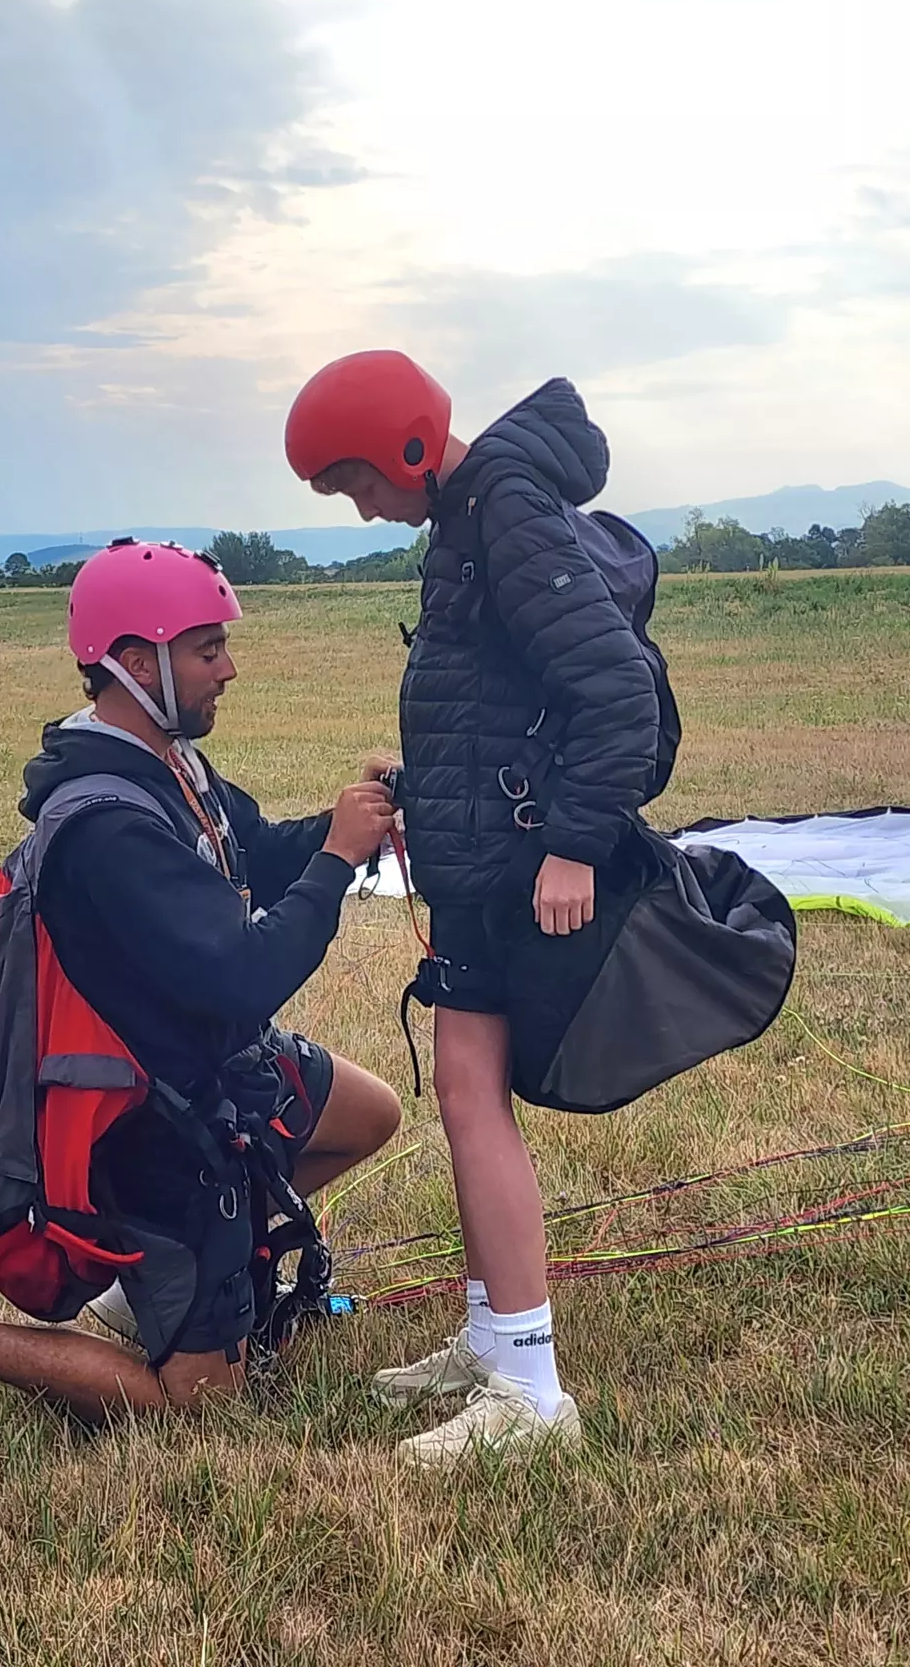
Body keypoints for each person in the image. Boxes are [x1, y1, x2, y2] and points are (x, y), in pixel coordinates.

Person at [0, 539, 402, 1435]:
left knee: (366, 1113)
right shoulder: (105, 827)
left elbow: (251, 848)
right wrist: (336, 862)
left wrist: (353, 825)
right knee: (197, 1406)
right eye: (207, 649)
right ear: (138, 663)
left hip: (207, 1069)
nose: (229, 668)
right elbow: (243, 979)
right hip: (144, 1122)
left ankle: (165, 1291)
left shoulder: (168, 766)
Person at [285, 355, 676, 1464]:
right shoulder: (469, 514)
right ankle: (494, 1343)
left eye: (358, 481)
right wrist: (418, 787)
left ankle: (532, 1393)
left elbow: (615, 693)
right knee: (464, 1093)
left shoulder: (502, 504)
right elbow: (498, 702)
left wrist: (572, 848)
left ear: (408, 445)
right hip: (477, 866)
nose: (364, 507)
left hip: (517, 871)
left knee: (470, 1097)